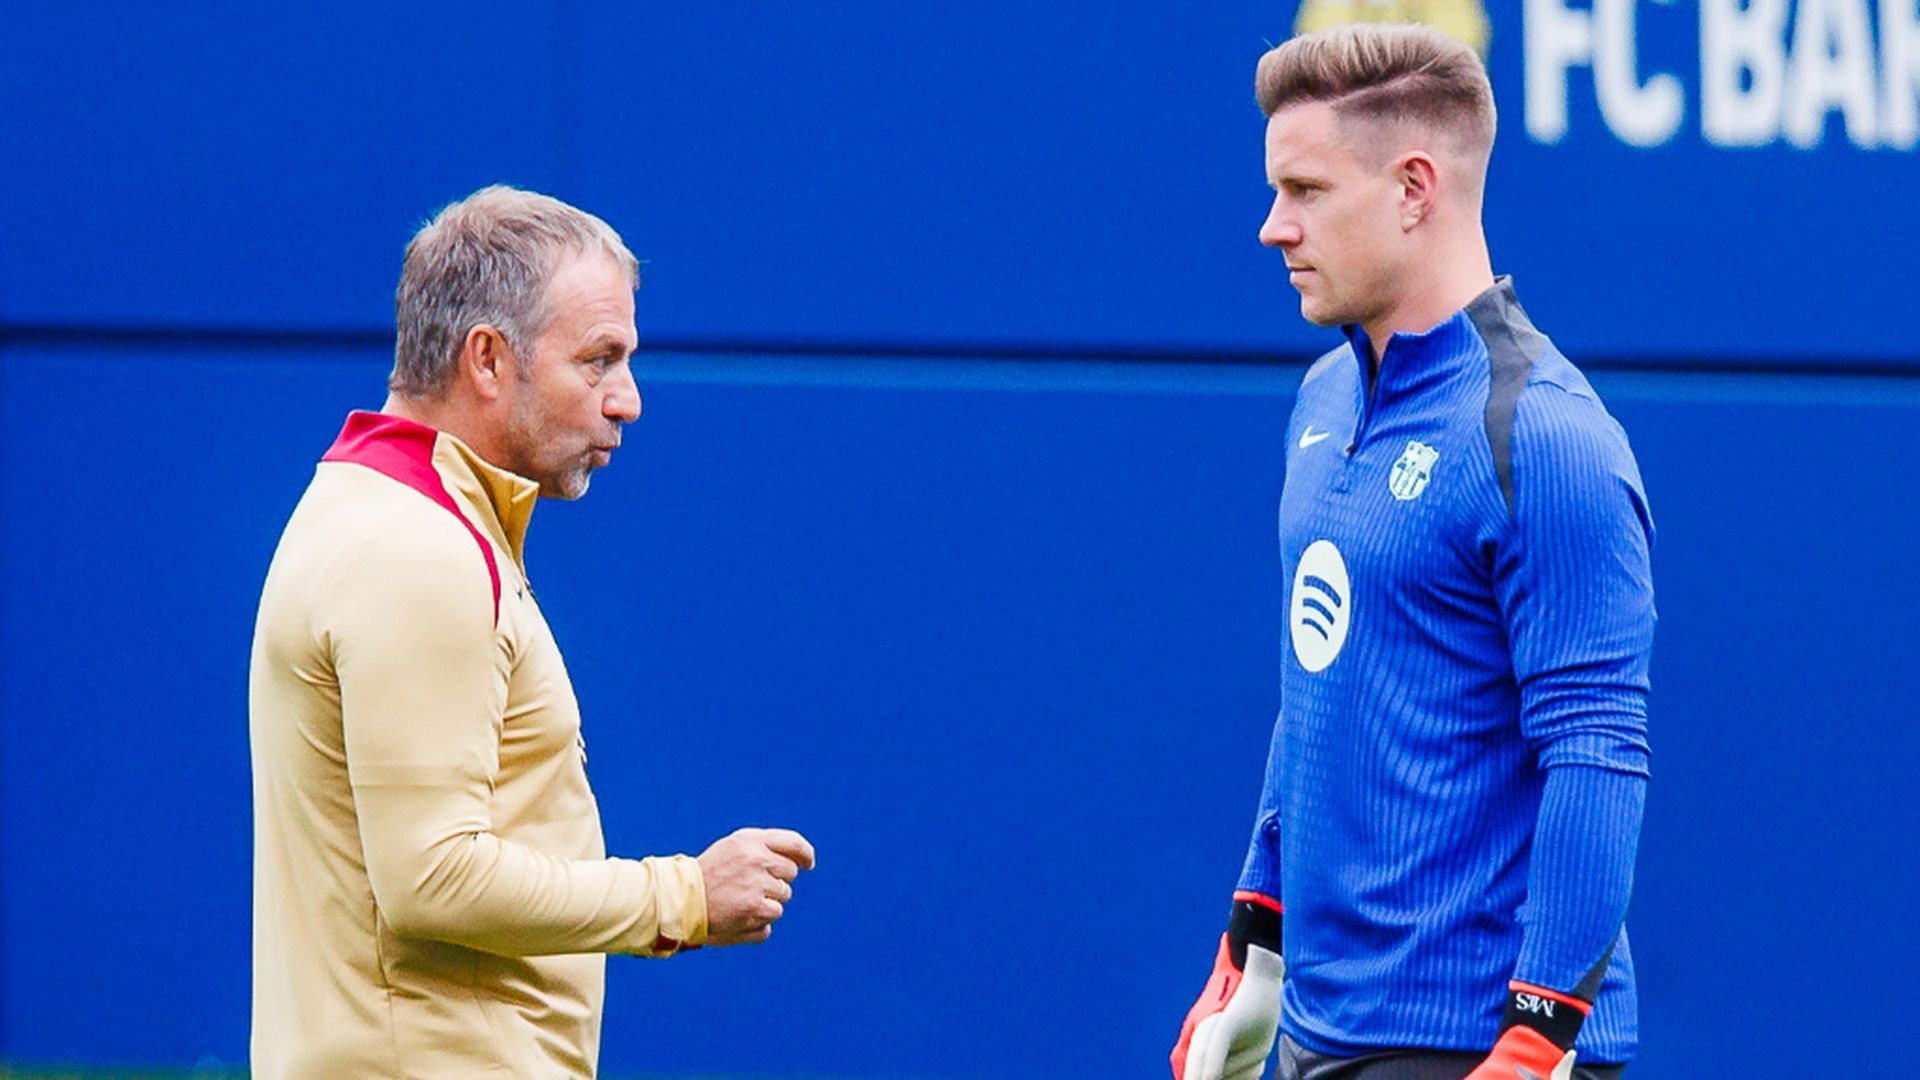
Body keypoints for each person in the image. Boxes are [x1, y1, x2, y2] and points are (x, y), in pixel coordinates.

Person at [1170, 25, 1655, 1080]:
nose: (1272, 226)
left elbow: (1597, 754)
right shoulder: (1323, 399)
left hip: (1474, 1046)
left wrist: (1538, 1040)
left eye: (1305, 190)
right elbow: (1317, 690)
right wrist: (1253, 944)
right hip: (1318, 1030)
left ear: (1413, 189)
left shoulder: (1546, 438)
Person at [249, 185, 816, 1079]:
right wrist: (686, 895)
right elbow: (432, 877)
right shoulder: (417, 551)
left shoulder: (373, 507)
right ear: (487, 359)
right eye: (598, 360)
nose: (628, 400)